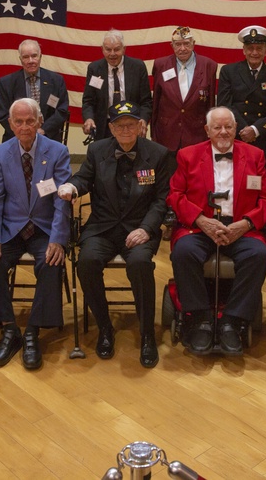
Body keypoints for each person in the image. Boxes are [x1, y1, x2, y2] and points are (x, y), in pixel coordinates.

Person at [58, 102, 173, 367]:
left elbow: (162, 198)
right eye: (119, 125)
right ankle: (105, 327)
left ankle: (147, 335)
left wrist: (146, 229)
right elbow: (84, 178)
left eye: (131, 124)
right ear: (110, 128)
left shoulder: (158, 154)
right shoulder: (97, 150)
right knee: (85, 263)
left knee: (140, 264)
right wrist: (72, 188)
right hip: (103, 227)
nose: (125, 129)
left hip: (140, 228)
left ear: (140, 126)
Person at [167, 107, 266, 356]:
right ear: (207, 130)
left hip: (240, 227)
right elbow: (175, 195)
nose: (223, 132)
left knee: (259, 255)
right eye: (217, 127)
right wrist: (201, 220)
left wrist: (246, 223)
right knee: (183, 252)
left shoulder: (255, 155)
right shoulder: (188, 155)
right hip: (200, 226)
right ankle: (200, 319)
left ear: (236, 128)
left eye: (228, 127)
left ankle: (232, 321)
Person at [0, 98, 71, 370]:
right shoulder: (0, 153)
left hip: (44, 227)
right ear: (10, 124)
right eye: (18, 122)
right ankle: (9, 328)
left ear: (39, 122)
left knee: (51, 263)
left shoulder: (58, 151)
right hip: (11, 228)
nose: (24, 126)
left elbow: (61, 201)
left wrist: (57, 239)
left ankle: (32, 330)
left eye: (29, 121)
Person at [218, 25, 266, 183]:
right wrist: (243, 130)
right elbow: (224, 106)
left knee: (261, 187)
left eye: (259, 48)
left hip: (263, 140)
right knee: (233, 184)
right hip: (235, 137)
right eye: (250, 48)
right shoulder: (229, 72)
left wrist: (255, 130)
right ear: (244, 50)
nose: (254, 52)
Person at [150, 26, 217, 151]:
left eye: (186, 44)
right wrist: (153, 133)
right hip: (166, 135)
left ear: (193, 44)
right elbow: (156, 103)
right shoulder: (160, 65)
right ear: (172, 45)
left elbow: (211, 104)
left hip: (196, 135)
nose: (182, 49)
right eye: (178, 44)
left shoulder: (209, 65)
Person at [81, 29, 152, 141]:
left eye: (117, 49)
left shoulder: (138, 67)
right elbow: (88, 101)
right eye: (108, 49)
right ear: (102, 50)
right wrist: (89, 118)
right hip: (104, 127)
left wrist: (143, 119)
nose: (112, 54)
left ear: (124, 49)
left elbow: (146, 101)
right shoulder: (94, 69)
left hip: (131, 126)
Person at [0, 39, 69, 143]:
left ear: (40, 57)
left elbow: (62, 110)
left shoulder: (56, 80)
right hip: (15, 140)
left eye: (34, 56)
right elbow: (4, 115)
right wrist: (23, 132)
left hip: (48, 138)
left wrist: (43, 130)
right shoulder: (6, 83)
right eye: (26, 57)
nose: (31, 61)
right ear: (20, 59)